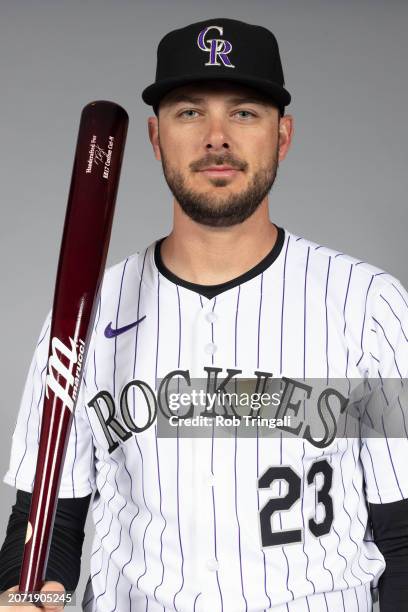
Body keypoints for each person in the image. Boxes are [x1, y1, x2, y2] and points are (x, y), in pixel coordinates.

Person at [1, 17, 407, 612]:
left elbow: (403, 534)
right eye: (190, 112)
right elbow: (45, 528)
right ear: (154, 136)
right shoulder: (82, 313)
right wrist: (30, 593)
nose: (217, 137)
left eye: (244, 112)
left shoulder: (370, 305)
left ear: (283, 135)